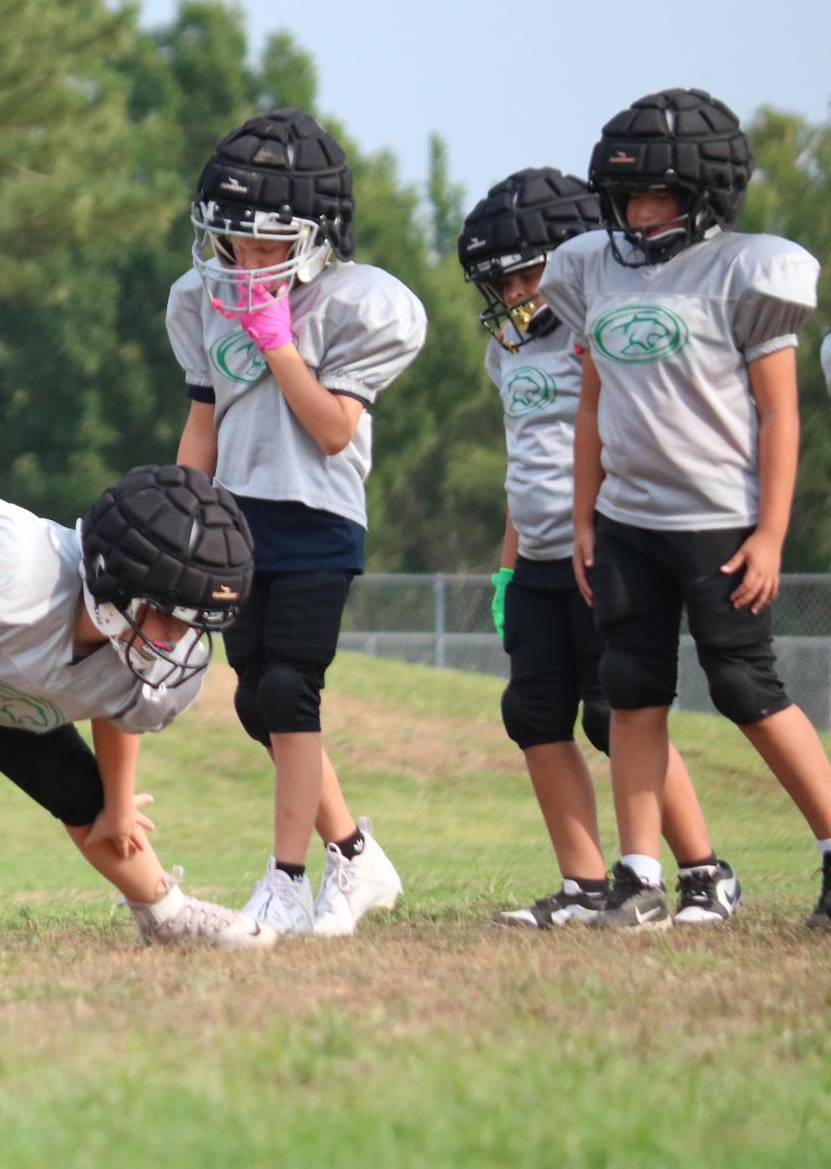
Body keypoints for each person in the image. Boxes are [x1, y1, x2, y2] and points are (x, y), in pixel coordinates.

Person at [542, 87, 831, 931]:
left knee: (745, 687)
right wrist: (585, 516)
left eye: (657, 193)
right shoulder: (592, 266)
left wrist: (771, 530)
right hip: (629, 518)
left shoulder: (746, 269)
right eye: (627, 194)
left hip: (717, 517)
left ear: (705, 195)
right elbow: (591, 406)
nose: (638, 210)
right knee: (630, 692)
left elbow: (779, 413)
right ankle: (637, 876)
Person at [0, 465, 272, 958]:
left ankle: (164, 912)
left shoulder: (140, 642)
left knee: (85, 792)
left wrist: (119, 803)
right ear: (114, 581)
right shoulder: (15, 562)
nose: (177, 637)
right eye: (169, 613)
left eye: (194, 623)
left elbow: (118, 704)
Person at [166, 108, 426, 937]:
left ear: (316, 238)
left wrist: (280, 345)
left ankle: (284, 879)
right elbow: (203, 421)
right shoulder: (200, 302)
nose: (244, 263)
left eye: (267, 246)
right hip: (237, 518)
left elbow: (332, 429)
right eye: (231, 243)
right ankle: (352, 853)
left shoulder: (356, 305)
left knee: (288, 688)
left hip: (316, 517)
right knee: (257, 705)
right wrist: (182, 516)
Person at [463, 168, 736, 928]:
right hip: (538, 563)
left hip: (604, 549)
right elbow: (524, 467)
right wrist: (505, 568)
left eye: (528, 273)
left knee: (617, 713)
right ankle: (583, 885)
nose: (517, 294)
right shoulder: (506, 355)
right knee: (533, 713)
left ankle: (704, 871)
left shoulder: (607, 339)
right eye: (502, 281)